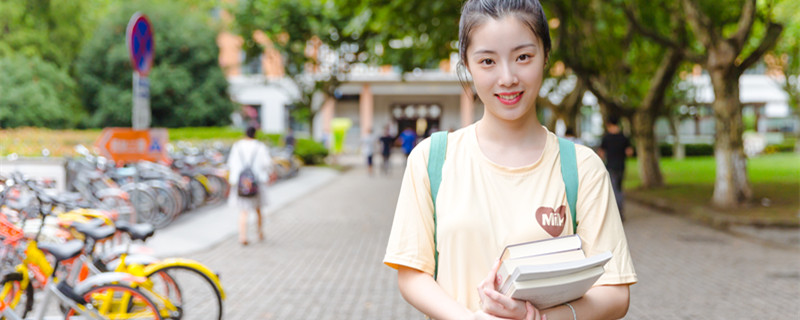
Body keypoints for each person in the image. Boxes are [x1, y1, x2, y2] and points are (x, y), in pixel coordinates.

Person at [383, 1, 637, 319]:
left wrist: (541, 319)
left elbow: (615, 293)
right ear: (466, 64)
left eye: (523, 57)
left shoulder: (581, 168)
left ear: (546, 54)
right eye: (487, 61)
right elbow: (411, 273)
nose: (507, 78)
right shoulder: (432, 160)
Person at [227, 126, 275, 246]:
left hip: (241, 183)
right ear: (255, 134)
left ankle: (242, 236)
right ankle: (259, 232)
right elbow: (267, 163)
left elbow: (231, 163)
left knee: (243, 211)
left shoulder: (237, 146)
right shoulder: (260, 146)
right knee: (258, 209)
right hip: (257, 183)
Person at [598, 116, 633, 221]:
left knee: (614, 190)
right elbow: (629, 152)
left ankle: (617, 213)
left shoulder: (606, 138)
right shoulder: (624, 137)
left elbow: (601, 153)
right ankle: (620, 211)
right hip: (621, 166)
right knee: (619, 188)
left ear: (609, 125)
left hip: (610, 166)